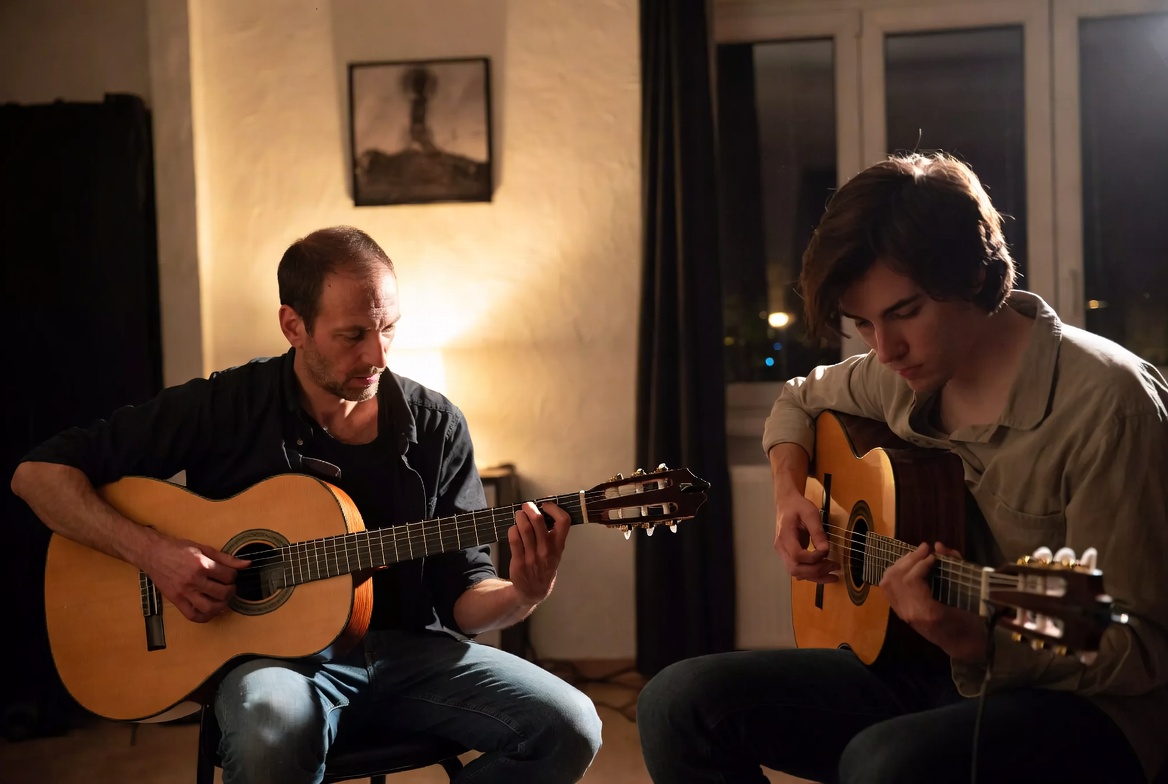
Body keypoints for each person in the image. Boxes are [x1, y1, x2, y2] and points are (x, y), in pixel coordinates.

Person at [637, 153, 1168, 783]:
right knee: (677, 702)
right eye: (863, 324)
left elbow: (1140, 645)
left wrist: (977, 639)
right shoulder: (900, 375)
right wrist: (789, 494)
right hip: (931, 659)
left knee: (882, 764)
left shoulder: (1109, 406)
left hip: (1086, 707)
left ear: (973, 274)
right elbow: (798, 400)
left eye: (904, 312)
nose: (885, 350)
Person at [11, 226, 602, 784]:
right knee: (271, 733)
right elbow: (37, 475)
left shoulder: (435, 425)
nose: (378, 355)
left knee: (569, 725)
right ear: (293, 325)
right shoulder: (228, 404)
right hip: (272, 664)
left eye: (389, 329)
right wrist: (154, 553)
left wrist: (523, 593)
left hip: (409, 654)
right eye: (353, 335)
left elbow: (465, 599)